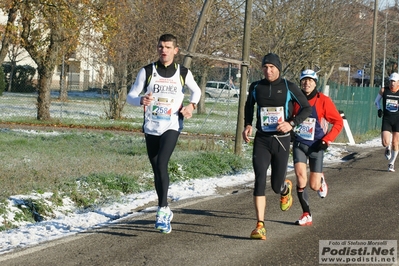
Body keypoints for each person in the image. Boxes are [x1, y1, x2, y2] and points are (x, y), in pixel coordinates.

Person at [126, 34, 201, 234]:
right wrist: (140, 100)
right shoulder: (147, 71)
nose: (163, 50)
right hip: (151, 125)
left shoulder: (182, 72)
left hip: (172, 125)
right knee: (157, 169)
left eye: (168, 47)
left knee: (161, 163)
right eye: (160, 46)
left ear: (175, 50)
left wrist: (191, 107)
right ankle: (164, 207)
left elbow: (197, 92)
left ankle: (162, 210)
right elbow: (131, 96)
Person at [242, 53, 312, 240]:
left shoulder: (289, 86)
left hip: (281, 140)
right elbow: (249, 106)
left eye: (272, 67)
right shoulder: (256, 86)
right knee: (259, 179)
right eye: (265, 67)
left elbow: (307, 108)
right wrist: (247, 124)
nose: (268, 70)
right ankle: (260, 225)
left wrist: (291, 123)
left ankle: (284, 189)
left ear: (278, 69)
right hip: (262, 139)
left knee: (275, 186)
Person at [292, 69, 343, 226]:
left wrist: (327, 140)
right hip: (300, 144)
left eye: (310, 80)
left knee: (314, 186)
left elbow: (338, 122)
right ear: (300, 82)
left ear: (315, 83)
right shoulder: (294, 99)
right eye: (304, 80)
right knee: (301, 179)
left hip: (316, 146)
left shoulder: (323, 100)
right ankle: (306, 213)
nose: (307, 83)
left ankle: (321, 180)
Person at [374, 72, 399, 172]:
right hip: (387, 119)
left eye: (394, 81)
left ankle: (391, 163)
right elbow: (376, 101)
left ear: (398, 82)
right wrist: (379, 109)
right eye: (391, 81)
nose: (392, 83)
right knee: (385, 142)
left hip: (398, 119)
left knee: (395, 143)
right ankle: (387, 148)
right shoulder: (384, 90)